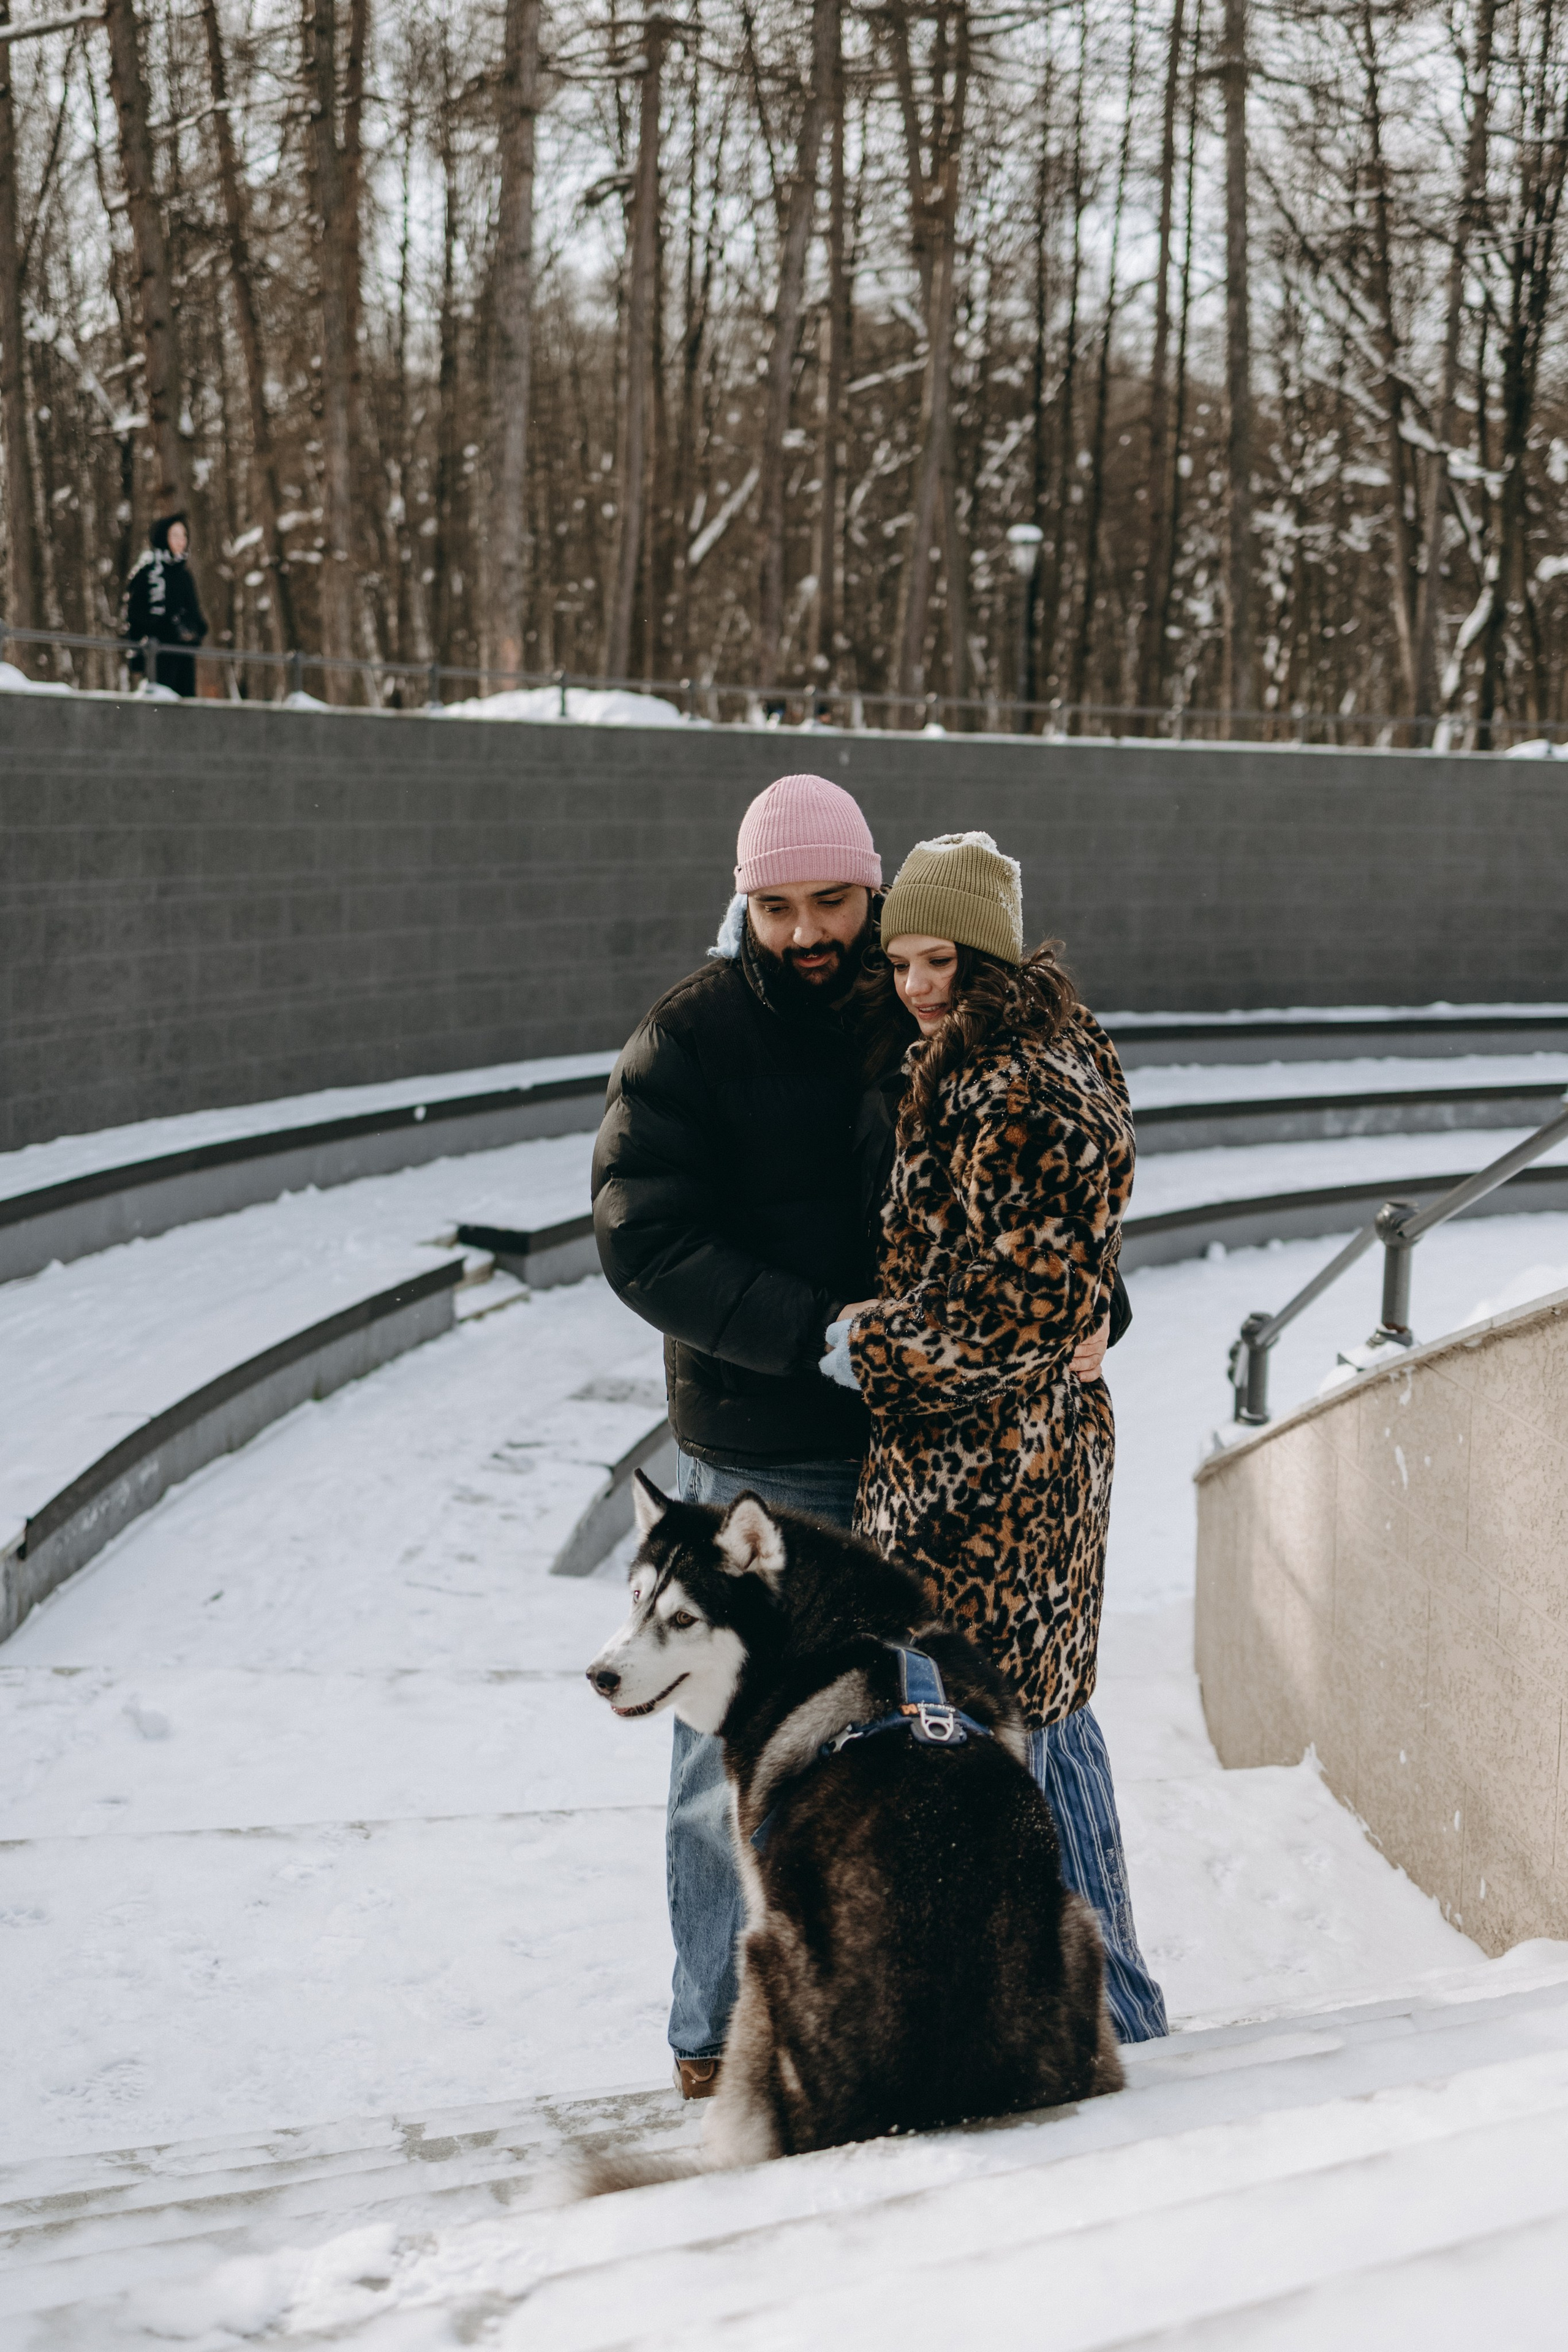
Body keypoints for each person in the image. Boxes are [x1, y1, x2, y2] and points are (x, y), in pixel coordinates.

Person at [593, 778, 1125, 2095]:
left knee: (976, 1728)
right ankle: (716, 2031)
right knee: (720, 1747)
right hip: (762, 1449)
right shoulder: (691, 1033)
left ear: (873, 889)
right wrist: (808, 1328)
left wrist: (1098, 1303)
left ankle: (1015, 2005)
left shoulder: (929, 996)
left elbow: (1034, 1205)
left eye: (830, 901)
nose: (804, 931)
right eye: (774, 907)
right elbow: (642, 1235)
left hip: (921, 1451)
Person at [821, 829, 1167, 2041]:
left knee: (989, 1769)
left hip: (987, 1493)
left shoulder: (1006, 1083)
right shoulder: (1036, 1048)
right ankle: (1110, 2007)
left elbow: (1012, 1303)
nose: (916, 984)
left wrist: (873, 1346)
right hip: (1028, 1468)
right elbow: (1054, 1278)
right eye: (903, 961)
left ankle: (1051, 2029)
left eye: (940, 960)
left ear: (988, 957)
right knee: (1050, 1743)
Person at [123, 513, 207, 698]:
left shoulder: (184, 575)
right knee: (159, 705)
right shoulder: (147, 572)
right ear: (163, 537)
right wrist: (164, 627)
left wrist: (193, 630)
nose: (181, 541)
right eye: (175, 535)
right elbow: (135, 614)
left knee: (184, 708)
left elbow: (195, 615)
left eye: (184, 536)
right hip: (157, 654)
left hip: (183, 655)